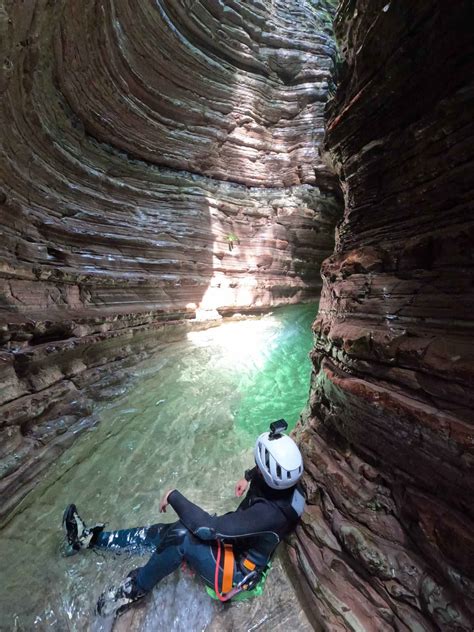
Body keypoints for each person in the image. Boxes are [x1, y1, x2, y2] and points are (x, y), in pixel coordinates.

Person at [62, 420, 305, 618]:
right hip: (237, 541)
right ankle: (93, 540)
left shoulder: (270, 515)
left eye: (259, 466)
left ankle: (135, 589)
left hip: (237, 573)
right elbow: (267, 476)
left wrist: (173, 496)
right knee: (165, 532)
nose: (257, 468)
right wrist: (249, 476)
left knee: (181, 537)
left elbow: (209, 529)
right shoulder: (289, 486)